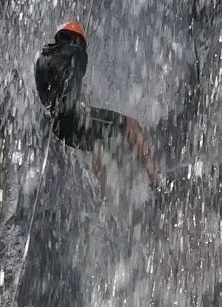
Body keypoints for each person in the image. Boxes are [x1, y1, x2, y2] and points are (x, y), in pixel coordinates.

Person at [33, 21, 159, 187]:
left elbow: (55, 92)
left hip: (59, 127)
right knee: (131, 125)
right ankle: (156, 182)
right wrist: (80, 48)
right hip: (73, 119)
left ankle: (105, 199)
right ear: (76, 39)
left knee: (96, 145)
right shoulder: (74, 52)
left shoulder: (42, 58)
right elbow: (78, 63)